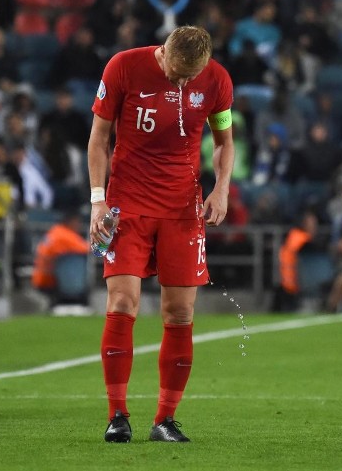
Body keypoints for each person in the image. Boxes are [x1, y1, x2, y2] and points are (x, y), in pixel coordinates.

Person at [88, 26, 234, 444]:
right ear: (164, 52)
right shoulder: (124, 66)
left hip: (182, 210)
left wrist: (221, 187)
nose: (183, 82)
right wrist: (98, 200)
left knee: (180, 314)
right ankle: (117, 415)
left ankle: (165, 420)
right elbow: (99, 139)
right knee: (121, 301)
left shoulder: (218, 80)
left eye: (191, 76)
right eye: (176, 73)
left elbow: (224, 141)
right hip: (126, 204)